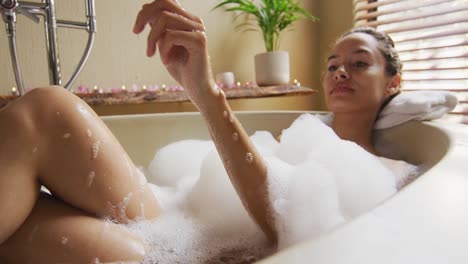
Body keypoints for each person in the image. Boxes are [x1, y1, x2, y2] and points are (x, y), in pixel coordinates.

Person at [0, 0, 410, 262]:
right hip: (177, 233)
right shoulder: (292, 143)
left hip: (189, 251)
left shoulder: (389, 174)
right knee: (44, 115)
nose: (340, 70)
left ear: (393, 82)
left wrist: (206, 94)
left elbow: (288, 224)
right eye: (333, 63)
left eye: (359, 63)